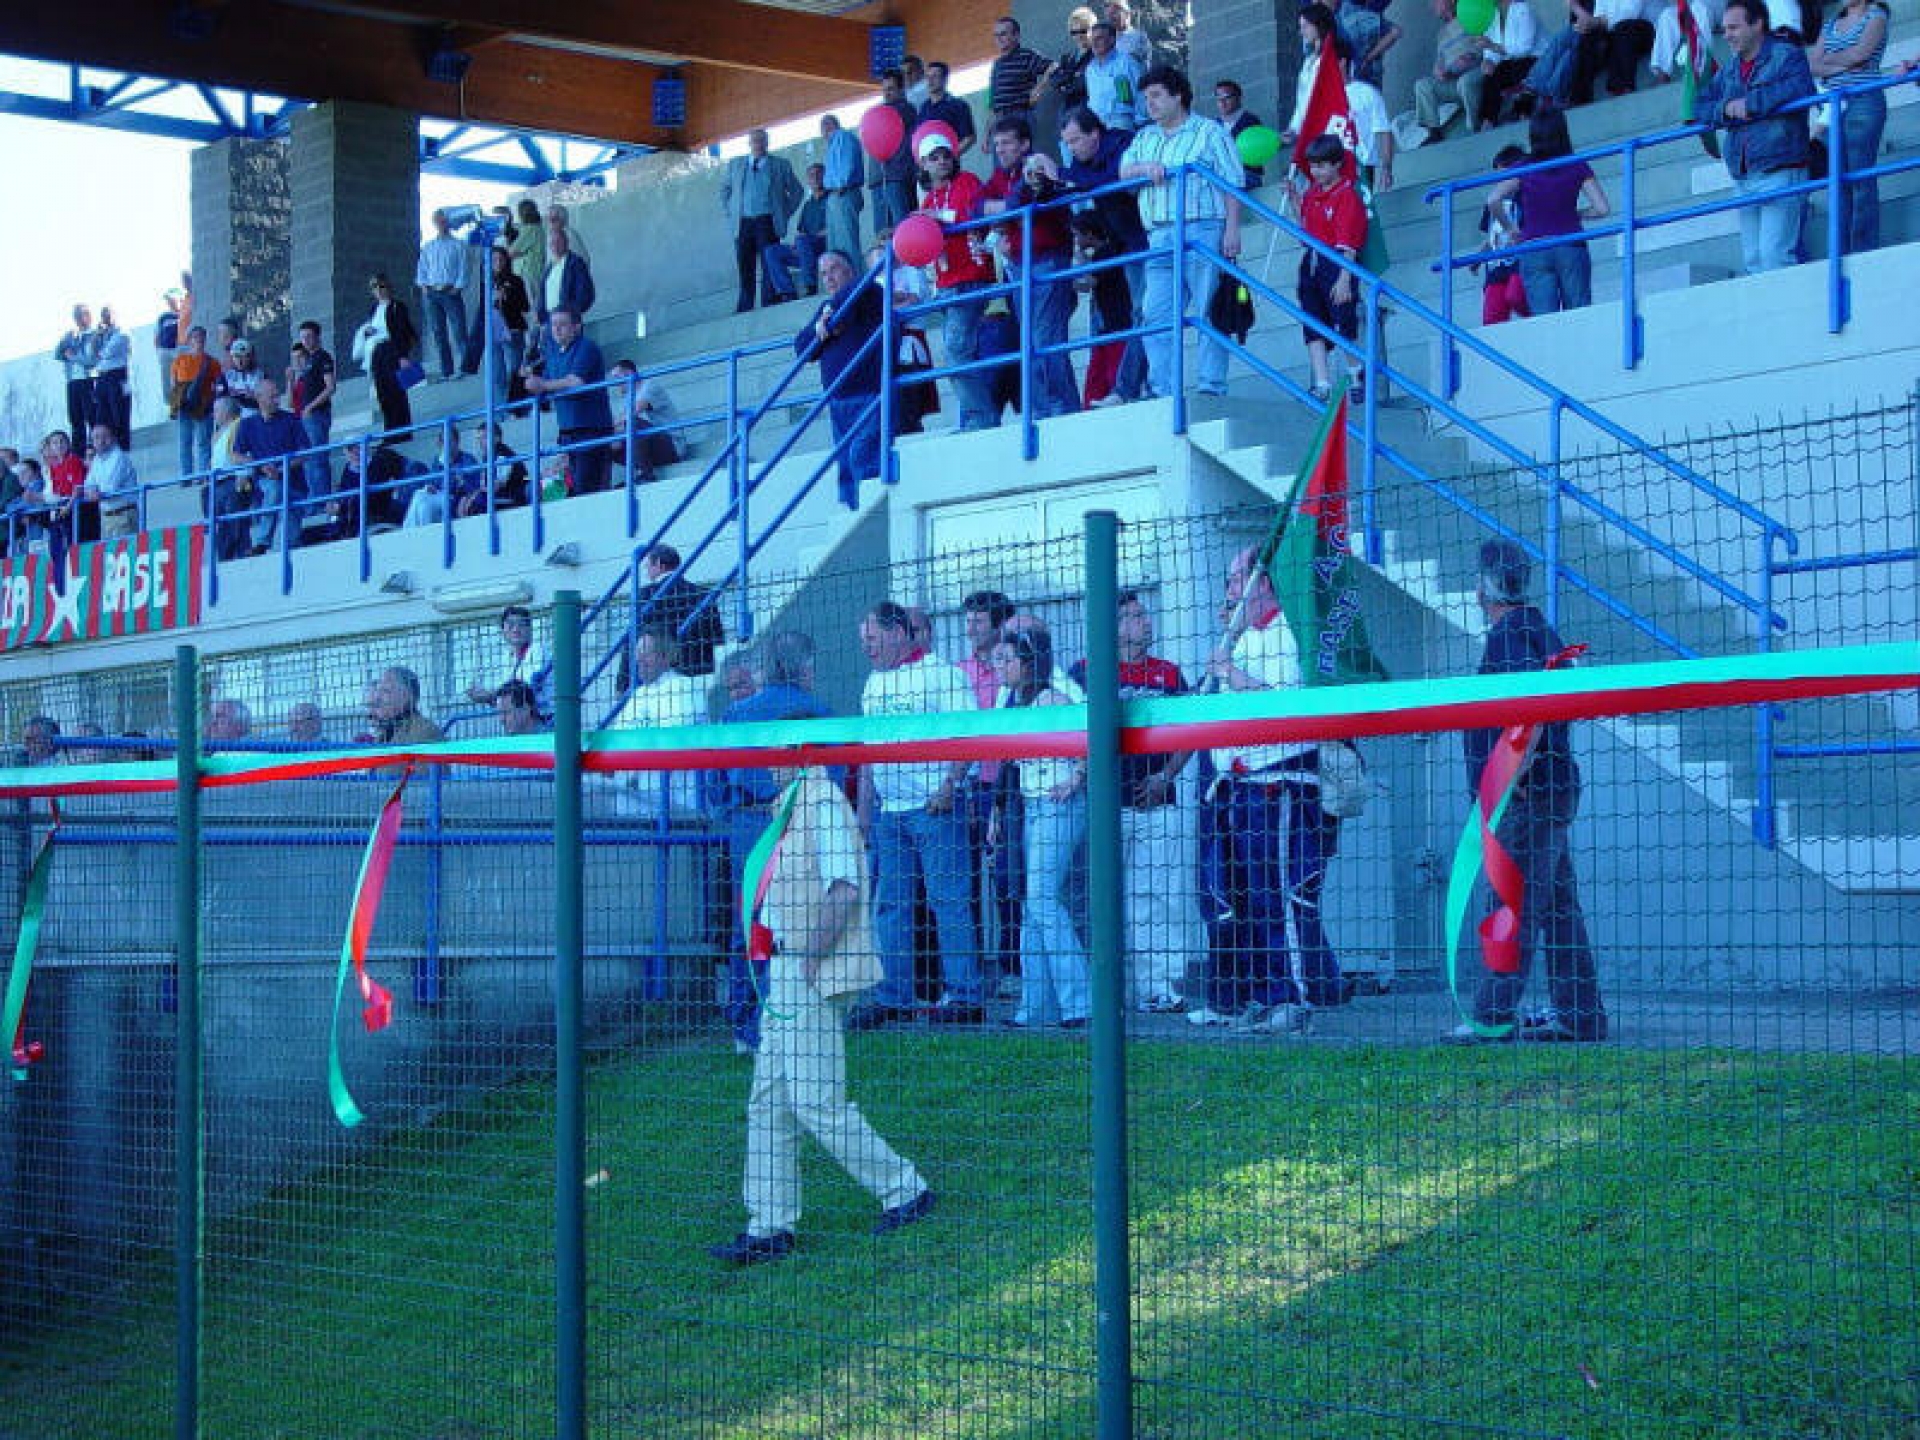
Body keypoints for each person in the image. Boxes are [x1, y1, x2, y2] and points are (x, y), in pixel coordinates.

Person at [708, 745, 935, 1268]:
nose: (765, 761)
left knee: (815, 1102)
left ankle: (905, 1188)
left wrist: (810, 956)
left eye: (774, 751)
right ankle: (769, 1225)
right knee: (768, 1101)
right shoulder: (793, 803)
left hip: (805, 968)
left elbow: (845, 888)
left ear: (797, 754)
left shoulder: (822, 801)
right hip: (788, 968)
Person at [1451, 540, 1608, 1043]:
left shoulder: (1511, 634)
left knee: (1510, 903)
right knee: (1558, 909)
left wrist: (1514, 772)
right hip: (1550, 790)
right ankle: (1580, 1016)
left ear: (1484, 587)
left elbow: (1532, 703)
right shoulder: (1537, 628)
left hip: (1530, 795)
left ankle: (1491, 1017)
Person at [1190, 546, 1344, 1031]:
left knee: (1281, 895)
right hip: (1238, 787)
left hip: (1280, 784)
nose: (1230, 592)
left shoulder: (1288, 634)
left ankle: (1293, 998)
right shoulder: (1242, 639)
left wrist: (1231, 674)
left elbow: (1283, 704)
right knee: (1246, 899)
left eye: (1236, 581)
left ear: (1263, 582)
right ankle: (1261, 993)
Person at [847, 602, 984, 1030]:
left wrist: (951, 785)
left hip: (934, 807)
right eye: (863, 640)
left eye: (872, 638)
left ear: (898, 633)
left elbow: (969, 734)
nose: (866, 647)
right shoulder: (872, 684)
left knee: (948, 901)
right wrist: (864, 813)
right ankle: (894, 996)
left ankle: (965, 995)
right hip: (890, 814)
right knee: (891, 906)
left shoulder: (940, 674)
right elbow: (868, 753)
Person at [1071, 591, 1193, 1012]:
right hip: (1102, 809)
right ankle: (1110, 989)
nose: (1145, 621)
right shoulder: (1085, 673)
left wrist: (1165, 776)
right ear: (1115, 626)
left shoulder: (1168, 674)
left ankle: (1159, 987)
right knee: (1102, 899)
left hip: (1157, 805)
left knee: (1158, 896)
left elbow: (1189, 731)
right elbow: (1073, 735)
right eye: (1135, 616)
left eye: (1144, 614)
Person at [715, 631, 835, 1053]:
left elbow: (715, 775)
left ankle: (745, 1023)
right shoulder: (818, 714)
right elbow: (832, 780)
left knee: (750, 922)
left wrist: (730, 810)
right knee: (791, 920)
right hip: (796, 822)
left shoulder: (736, 714)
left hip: (747, 825)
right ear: (804, 668)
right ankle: (780, 1016)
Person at [1120, 64, 1244, 400]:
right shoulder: (1144, 137)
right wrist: (1145, 168)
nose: (1150, 103)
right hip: (1160, 235)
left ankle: (1211, 385)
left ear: (1178, 96)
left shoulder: (1210, 132)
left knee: (1208, 309)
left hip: (1203, 228)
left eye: (1157, 95)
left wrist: (1232, 230)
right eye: (1146, 97)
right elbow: (1123, 172)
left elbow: (1233, 182)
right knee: (1155, 314)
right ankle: (1163, 390)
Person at [991, 627, 1091, 1029]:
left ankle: (1080, 1003)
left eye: (1007, 659)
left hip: (1058, 805)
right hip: (1032, 806)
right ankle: (1036, 1009)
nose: (999, 666)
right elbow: (1006, 766)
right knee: (1032, 908)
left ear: (1028, 663)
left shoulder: (1052, 698)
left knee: (1043, 900)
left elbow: (1089, 738)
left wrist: (1076, 777)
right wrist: (998, 812)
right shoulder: (1013, 703)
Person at [1696, 0, 1815, 275]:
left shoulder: (1787, 54)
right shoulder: (1729, 69)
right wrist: (1726, 108)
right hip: (1744, 174)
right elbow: (1699, 106)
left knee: (1775, 257)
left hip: (1781, 168)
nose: (1727, 35)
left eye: (1734, 27)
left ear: (1758, 24)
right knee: (1753, 261)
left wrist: (1751, 103)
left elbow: (1801, 88)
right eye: (1725, 29)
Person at [982, 118, 1080, 421]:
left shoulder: (1039, 166)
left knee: (1044, 339)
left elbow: (1022, 197)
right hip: (1019, 265)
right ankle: (1046, 410)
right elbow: (975, 207)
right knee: (1032, 341)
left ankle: (1058, 410)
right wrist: (1005, 209)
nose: (1000, 150)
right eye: (997, 144)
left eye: (1007, 143)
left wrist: (1002, 208)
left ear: (1025, 144)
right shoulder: (1000, 176)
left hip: (1047, 260)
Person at [1491, 107, 1611, 314]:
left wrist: (1510, 230)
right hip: (1571, 244)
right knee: (1579, 316)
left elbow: (1493, 199)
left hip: (1534, 248)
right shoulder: (1576, 165)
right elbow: (1602, 209)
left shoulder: (1524, 167)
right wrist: (1577, 213)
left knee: (1545, 321)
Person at [916, 137, 998, 432]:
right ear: (923, 164)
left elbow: (974, 214)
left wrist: (935, 218)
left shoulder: (967, 181)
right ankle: (977, 417)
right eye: (934, 157)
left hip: (971, 278)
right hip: (946, 284)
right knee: (961, 352)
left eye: (946, 155)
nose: (942, 161)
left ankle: (980, 419)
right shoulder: (928, 201)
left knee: (956, 350)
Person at [794, 250, 885, 509]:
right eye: (823, 274)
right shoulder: (827, 307)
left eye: (834, 269)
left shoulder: (869, 293)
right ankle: (851, 514)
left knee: (863, 458)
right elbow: (802, 348)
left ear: (850, 270)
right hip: (838, 401)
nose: (828, 278)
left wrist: (831, 314)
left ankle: (871, 514)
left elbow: (862, 287)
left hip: (869, 395)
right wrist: (821, 327)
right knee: (845, 465)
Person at [1808, 0, 1891, 255]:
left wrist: (1830, 63)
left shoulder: (1877, 15)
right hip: (1832, 106)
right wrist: (1847, 64)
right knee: (1838, 181)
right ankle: (1842, 252)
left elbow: (1862, 54)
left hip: (1863, 101)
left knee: (1859, 178)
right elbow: (1812, 65)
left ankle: (1863, 250)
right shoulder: (1831, 23)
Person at [1297, 135, 1367, 401]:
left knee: (1342, 322)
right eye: (1313, 166)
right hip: (1312, 261)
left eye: (1322, 165)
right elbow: (1304, 229)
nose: (1316, 172)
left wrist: (1345, 278)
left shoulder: (1346, 195)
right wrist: (1293, 199)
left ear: (1337, 164)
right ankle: (1322, 382)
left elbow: (1349, 242)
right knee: (1313, 322)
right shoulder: (1311, 194)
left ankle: (1355, 373)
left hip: (1337, 262)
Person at [609, 625, 706, 815]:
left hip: (676, 808)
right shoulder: (637, 695)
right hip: (632, 809)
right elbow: (616, 742)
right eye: (638, 653)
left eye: (647, 653)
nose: (639, 659)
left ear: (665, 657)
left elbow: (676, 741)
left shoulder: (684, 687)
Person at [525, 307, 612, 495]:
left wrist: (542, 384)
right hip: (567, 433)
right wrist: (533, 385)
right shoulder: (553, 354)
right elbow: (545, 385)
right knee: (572, 488)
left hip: (591, 430)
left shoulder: (586, 347)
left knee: (588, 488)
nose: (556, 329)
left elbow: (575, 382)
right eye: (553, 325)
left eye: (562, 324)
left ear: (577, 327)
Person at [722, 128, 807, 311]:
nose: (758, 144)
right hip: (743, 223)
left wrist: (783, 213)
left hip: (767, 221)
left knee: (769, 264)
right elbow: (724, 191)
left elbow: (797, 191)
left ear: (767, 142)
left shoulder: (780, 165)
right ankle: (745, 306)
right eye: (754, 140)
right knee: (745, 265)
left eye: (761, 140)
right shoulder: (735, 165)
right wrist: (732, 212)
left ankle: (769, 301)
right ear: (749, 143)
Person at [636, 542, 726, 678]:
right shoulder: (704, 594)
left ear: (659, 564)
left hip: (664, 674)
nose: (646, 571)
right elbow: (717, 638)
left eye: (648, 566)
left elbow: (636, 637)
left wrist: (623, 683)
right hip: (702, 672)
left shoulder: (646, 595)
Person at [1414, 0, 1490, 142]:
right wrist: (1438, 71)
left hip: (1477, 73)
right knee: (1423, 85)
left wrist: (1461, 65)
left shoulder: (1470, 18)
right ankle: (1434, 132)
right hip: (1453, 81)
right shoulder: (1441, 34)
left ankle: (1475, 127)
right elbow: (1439, 61)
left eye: (1435, 1)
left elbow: (1481, 51)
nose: (1432, 6)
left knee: (1465, 81)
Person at [1477, 146, 1534, 324]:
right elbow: (1491, 237)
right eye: (1498, 177)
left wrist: (1520, 238)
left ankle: (1538, 319)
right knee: (1492, 317)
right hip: (1496, 266)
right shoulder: (1492, 202)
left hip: (1520, 261)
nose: (1501, 182)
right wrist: (1478, 258)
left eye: (1505, 175)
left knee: (1515, 296)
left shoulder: (1527, 196)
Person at [355, 274, 417, 433]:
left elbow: (402, 332)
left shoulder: (397, 306)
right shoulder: (373, 309)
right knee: (382, 393)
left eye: (381, 286)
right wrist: (367, 332)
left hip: (392, 350)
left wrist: (403, 356)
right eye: (374, 287)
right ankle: (389, 431)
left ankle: (402, 431)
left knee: (396, 392)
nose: (379, 290)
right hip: (377, 351)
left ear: (388, 287)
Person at [416, 209, 472, 382]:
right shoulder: (428, 246)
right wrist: (424, 286)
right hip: (432, 292)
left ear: (448, 222)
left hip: (450, 291)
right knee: (438, 333)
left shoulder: (458, 245)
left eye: (443, 221)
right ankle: (446, 370)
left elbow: (464, 267)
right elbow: (422, 268)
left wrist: (458, 287)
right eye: (437, 221)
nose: (440, 224)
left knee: (459, 330)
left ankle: (466, 367)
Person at [608, 359, 688, 483]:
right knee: (608, 445)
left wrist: (612, 426)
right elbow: (621, 424)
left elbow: (636, 410)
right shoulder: (629, 396)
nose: (615, 383)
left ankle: (646, 475)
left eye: (617, 378)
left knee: (633, 423)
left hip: (673, 446)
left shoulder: (650, 386)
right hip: (653, 446)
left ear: (629, 374)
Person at [467, 604, 553, 717]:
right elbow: (508, 696)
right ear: (503, 630)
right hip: (521, 718)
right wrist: (489, 697)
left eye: (521, 624)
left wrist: (491, 695)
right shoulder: (506, 658)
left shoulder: (539, 650)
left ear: (530, 629)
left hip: (545, 717)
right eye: (510, 625)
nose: (516, 629)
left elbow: (526, 690)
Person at [287, 320, 337, 507]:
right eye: (303, 337)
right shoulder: (307, 363)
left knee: (317, 459)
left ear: (317, 337)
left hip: (317, 415)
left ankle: (322, 501)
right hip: (306, 417)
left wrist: (310, 407)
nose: (306, 341)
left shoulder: (323, 357)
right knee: (308, 459)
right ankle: (315, 500)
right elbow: (292, 400)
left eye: (309, 336)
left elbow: (330, 387)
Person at [763, 163, 830, 300]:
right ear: (808, 181)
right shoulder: (808, 205)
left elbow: (834, 228)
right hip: (806, 250)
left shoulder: (832, 199)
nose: (815, 178)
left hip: (826, 247)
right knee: (771, 251)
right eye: (811, 175)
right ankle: (787, 292)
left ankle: (810, 286)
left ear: (826, 176)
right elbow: (801, 231)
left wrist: (805, 240)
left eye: (819, 174)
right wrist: (796, 245)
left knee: (803, 242)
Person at [866, 71, 921, 235]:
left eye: (891, 89)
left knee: (902, 227)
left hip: (898, 175)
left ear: (901, 89)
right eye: (884, 90)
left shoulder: (906, 110)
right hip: (880, 178)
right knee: (883, 232)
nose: (886, 94)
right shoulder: (881, 111)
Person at [1569, 0, 1657, 102]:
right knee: (1588, 39)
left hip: (1647, 29)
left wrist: (1598, 22)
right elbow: (1598, 17)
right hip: (1616, 30)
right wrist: (1590, 24)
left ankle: (1622, 88)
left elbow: (1629, 14)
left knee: (1624, 28)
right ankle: (1580, 98)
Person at [169, 325, 222, 481]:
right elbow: (173, 383)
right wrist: (177, 400)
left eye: (201, 337)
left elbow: (217, 385)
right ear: (189, 340)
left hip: (203, 406)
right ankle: (186, 476)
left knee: (203, 442)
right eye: (195, 336)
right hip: (184, 406)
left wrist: (211, 402)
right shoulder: (179, 360)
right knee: (185, 442)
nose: (198, 339)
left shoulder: (212, 362)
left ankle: (203, 475)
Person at [1084, 20, 1148, 136]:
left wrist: (1141, 124)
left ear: (1112, 39)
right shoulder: (1090, 69)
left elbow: (1141, 95)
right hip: (1095, 123)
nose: (1094, 43)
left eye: (1099, 38)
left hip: (1120, 121)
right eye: (1092, 39)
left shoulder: (1127, 63)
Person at [485, 246, 531, 404]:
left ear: (507, 261)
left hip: (513, 330)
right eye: (494, 260)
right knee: (497, 374)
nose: (498, 263)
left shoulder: (516, 280)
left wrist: (507, 297)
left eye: (501, 259)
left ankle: (516, 405)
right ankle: (501, 408)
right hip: (493, 333)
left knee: (515, 370)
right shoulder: (486, 283)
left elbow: (525, 306)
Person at [820, 114, 867, 263]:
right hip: (836, 195)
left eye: (824, 126)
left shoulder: (843, 137)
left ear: (830, 125)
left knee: (848, 244)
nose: (822, 132)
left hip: (843, 193)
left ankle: (856, 276)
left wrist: (841, 185)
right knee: (836, 246)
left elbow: (847, 163)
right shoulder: (833, 142)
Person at [988, 15, 1052, 124]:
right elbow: (993, 99)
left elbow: (1053, 67)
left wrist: (1038, 90)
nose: (998, 39)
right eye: (996, 35)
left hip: (1020, 115)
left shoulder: (1027, 55)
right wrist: (988, 129)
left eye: (1003, 34)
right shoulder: (997, 64)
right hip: (999, 119)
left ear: (1016, 36)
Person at [53, 306, 97, 453]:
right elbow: (58, 355)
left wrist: (74, 356)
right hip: (72, 382)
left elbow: (93, 361)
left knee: (92, 416)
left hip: (88, 380)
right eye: (76, 315)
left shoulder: (95, 335)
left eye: (81, 314)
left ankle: (95, 448)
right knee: (75, 418)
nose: (78, 318)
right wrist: (65, 340)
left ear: (89, 316)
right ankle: (79, 452)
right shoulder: (71, 336)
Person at [363, 666, 444, 745]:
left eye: (386, 691)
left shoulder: (424, 732)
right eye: (379, 691)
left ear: (406, 696)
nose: (378, 697)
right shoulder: (388, 731)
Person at [86, 422, 140, 539]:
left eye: (105, 436)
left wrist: (94, 492)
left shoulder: (119, 457)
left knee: (127, 549)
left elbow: (109, 487)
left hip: (123, 515)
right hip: (106, 518)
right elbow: (88, 484)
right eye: (96, 437)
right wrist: (91, 491)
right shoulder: (96, 459)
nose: (101, 441)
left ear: (113, 438)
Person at [918, 61, 979, 159]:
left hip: (949, 162)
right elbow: (920, 136)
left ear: (945, 79)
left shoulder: (958, 105)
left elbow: (969, 137)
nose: (930, 80)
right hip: (928, 163)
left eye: (935, 76)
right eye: (928, 77)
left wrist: (950, 157)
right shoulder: (924, 107)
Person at [90, 308, 132, 450]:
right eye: (103, 315)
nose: (105, 318)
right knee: (102, 414)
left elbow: (105, 353)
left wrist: (99, 349)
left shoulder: (121, 333)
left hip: (117, 376)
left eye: (108, 314)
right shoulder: (102, 335)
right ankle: (105, 446)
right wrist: (96, 336)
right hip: (102, 376)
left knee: (119, 412)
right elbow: (93, 354)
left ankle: (123, 446)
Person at [1214, 79, 1267, 186]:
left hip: (1248, 176)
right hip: (1222, 177)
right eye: (1219, 99)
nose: (1222, 103)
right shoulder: (1214, 125)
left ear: (1239, 97)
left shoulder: (1250, 121)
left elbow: (1256, 153)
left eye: (1227, 98)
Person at [507, 199, 548, 322]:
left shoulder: (530, 229)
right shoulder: (538, 228)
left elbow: (511, 252)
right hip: (535, 272)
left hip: (528, 273)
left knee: (532, 309)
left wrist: (515, 249)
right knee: (536, 305)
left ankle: (536, 332)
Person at [1105, 0, 1153, 65]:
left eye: (1114, 13)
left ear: (1127, 14)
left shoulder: (1139, 38)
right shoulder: (1106, 39)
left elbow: (1142, 64)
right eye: (1109, 15)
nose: (1111, 18)